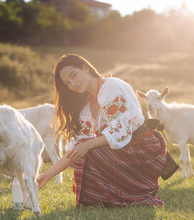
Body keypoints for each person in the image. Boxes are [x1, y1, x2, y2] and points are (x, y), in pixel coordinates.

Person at [37, 54, 177, 208]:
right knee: (83, 149)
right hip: (122, 151)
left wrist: (88, 145)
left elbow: (119, 132)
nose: (73, 84)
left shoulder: (112, 87)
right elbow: (76, 148)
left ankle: (130, 194)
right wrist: (45, 176)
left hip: (142, 148)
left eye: (74, 75)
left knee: (88, 148)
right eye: (67, 83)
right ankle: (106, 198)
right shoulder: (87, 107)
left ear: (85, 67)